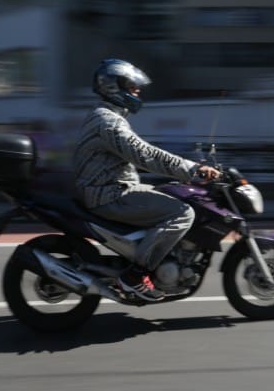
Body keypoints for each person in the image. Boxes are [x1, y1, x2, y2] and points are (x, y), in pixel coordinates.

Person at [73, 58, 220, 301]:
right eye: (132, 87)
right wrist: (195, 170)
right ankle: (135, 275)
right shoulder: (107, 122)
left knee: (172, 192)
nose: (137, 91)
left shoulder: (107, 116)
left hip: (112, 187)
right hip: (109, 194)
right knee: (183, 213)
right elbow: (146, 155)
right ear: (113, 87)